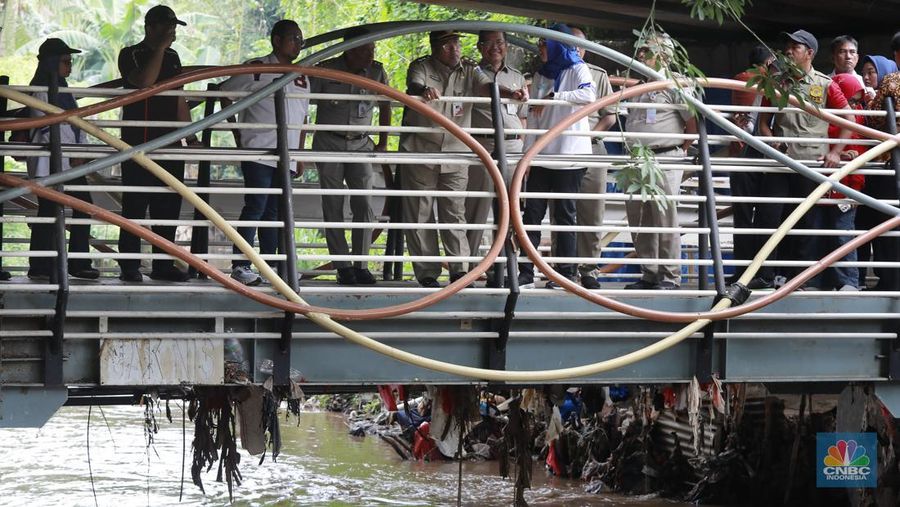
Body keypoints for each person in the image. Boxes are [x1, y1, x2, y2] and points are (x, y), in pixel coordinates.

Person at [400, 30, 523, 287]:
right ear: (435, 47)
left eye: (456, 43)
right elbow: (413, 85)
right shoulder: (421, 66)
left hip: (457, 152)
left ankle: (460, 270)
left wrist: (507, 93)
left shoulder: (468, 68)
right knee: (420, 212)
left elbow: (485, 85)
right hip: (422, 151)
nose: (454, 48)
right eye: (447, 44)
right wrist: (424, 90)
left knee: (455, 212)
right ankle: (427, 273)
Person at [756, 29, 850, 289]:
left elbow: (849, 118)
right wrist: (772, 140)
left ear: (810, 53)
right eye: (787, 46)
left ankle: (800, 278)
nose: (788, 51)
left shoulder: (825, 84)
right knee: (769, 217)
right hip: (780, 162)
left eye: (795, 47)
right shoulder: (776, 82)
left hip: (811, 164)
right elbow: (764, 122)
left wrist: (836, 152)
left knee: (806, 221)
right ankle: (764, 275)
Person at [219, 20, 309, 286]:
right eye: (294, 38)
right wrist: (237, 132)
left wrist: (300, 153)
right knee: (256, 206)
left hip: (288, 154)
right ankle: (241, 265)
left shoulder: (302, 76)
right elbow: (224, 93)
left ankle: (272, 265)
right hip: (258, 150)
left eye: (301, 39)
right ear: (277, 40)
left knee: (276, 211)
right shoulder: (256, 69)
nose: (299, 44)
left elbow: (304, 117)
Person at [117, 5, 198, 282]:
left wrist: (190, 135)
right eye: (166, 26)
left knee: (168, 205)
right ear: (150, 28)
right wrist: (160, 49)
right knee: (135, 205)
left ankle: (163, 265)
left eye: (174, 26)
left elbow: (178, 98)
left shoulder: (174, 56)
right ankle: (129, 264)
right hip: (138, 142)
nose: (172, 31)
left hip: (169, 143)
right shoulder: (131, 54)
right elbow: (144, 82)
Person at [518, 23, 596, 290]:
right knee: (532, 214)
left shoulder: (577, 68)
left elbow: (589, 95)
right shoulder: (541, 74)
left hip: (570, 156)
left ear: (555, 46)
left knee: (564, 216)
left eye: (543, 44)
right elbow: (533, 117)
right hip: (541, 156)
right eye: (540, 44)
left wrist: (557, 95)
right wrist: (527, 154)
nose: (540, 48)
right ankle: (526, 272)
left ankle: (565, 273)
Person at [310, 27, 390, 286]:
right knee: (333, 205)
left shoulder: (376, 71)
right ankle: (343, 266)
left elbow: (387, 103)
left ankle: (361, 264)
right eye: (366, 49)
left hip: (361, 144)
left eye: (372, 49)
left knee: (364, 204)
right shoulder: (328, 68)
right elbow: (299, 98)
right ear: (350, 49)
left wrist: (383, 141)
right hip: (329, 142)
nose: (370, 54)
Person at [622, 32, 697, 290]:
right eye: (640, 50)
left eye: (647, 50)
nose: (641, 55)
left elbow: (693, 123)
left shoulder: (675, 84)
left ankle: (669, 276)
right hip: (637, 159)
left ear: (663, 55)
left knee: (665, 218)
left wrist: (678, 151)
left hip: (665, 156)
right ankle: (650, 273)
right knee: (639, 218)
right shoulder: (639, 87)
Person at [25, 39, 99, 281]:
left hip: (71, 160)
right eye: (66, 62)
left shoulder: (64, 91)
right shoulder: (39, 91)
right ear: (52, 63)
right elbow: (48, 126)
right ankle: (42, 265)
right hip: (52, 162)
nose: (69, 67)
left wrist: (81, 154)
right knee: (50, 210)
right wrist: (74, 154)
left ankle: (72, 263)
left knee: (82, 207)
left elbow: (75, 126)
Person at [464, 30, 527, 285]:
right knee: (475, 212)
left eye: (499, 43)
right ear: (480, 47)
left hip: (513, 150)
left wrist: (526, 155)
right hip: (483, 148)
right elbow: (486, 89)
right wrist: (509, 94)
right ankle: (468, 271)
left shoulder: (518, 76)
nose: (495, 48)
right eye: (489, 43)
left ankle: (504, 269)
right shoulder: (471, 73)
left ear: (507, 46)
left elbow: (523, 118)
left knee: (509, 213)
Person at [568, 26, 620, 290]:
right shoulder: (552, 73)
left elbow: (609, 116)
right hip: (562, 150)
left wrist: (585, 140)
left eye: (578, 45)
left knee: (591, 212)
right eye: (568, 44)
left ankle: (589, 269)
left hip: (591, 146)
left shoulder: (597, 75)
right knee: (563, 210)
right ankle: (562, 266)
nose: (574, 49)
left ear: (585, 49)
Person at [810, 74, 867, 290]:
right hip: (821, 187)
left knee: (843, 235)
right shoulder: (822, 120)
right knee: (816, 234)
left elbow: (860, 160)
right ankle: (816, 281)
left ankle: (848, 281)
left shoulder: (858, 123)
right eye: (849, 100)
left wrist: (855, 190)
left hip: (846, 190)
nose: (852, 107)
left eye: (856, 102)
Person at [728, 45, 773, 284]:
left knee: (743, 218)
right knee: (768, 216)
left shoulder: (738, 80)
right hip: (764, 157)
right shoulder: (770, 83)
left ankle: (742, 273)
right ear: (768, 64)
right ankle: (762, 272)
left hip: (741, 155)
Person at [856, 54, 898, 287]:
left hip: (887, 173)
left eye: (872, 71)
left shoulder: (890, 95)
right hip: (868, 175)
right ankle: (869, 278)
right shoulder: (863, 100)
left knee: (887, 228)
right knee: (866, 226)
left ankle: (890, 279)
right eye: (865, 72)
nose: (867, 76)